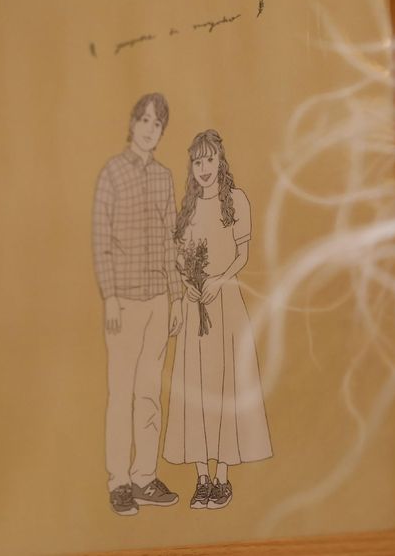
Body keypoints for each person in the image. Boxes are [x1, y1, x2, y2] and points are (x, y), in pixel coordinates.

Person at [163, 129, 272, 510]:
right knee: (195, 387)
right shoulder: (189, 208)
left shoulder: (236, 201)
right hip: (195, 308)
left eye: (209, 160)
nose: (204, 168)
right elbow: (179, 258)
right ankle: (202, 478)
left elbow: (242, 255)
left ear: (220, 162)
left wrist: (218, 280)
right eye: (197, 161)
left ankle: (222, 477)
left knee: (224, 385)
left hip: (225, 305)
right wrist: (188, 284)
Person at [92, 93, 183, 516]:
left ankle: (145, 476)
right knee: (121, 393)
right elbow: (101, 241)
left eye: (157, 123)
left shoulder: (164, 178)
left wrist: (175, 297)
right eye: (144, 120)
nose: (150, 128)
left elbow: (170, 241)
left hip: (158, 300)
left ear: (162, 132)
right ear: (132, 123)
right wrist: (110, 297)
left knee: (149, 394)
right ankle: (119, 482)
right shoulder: (112, 173)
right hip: (124, 303)